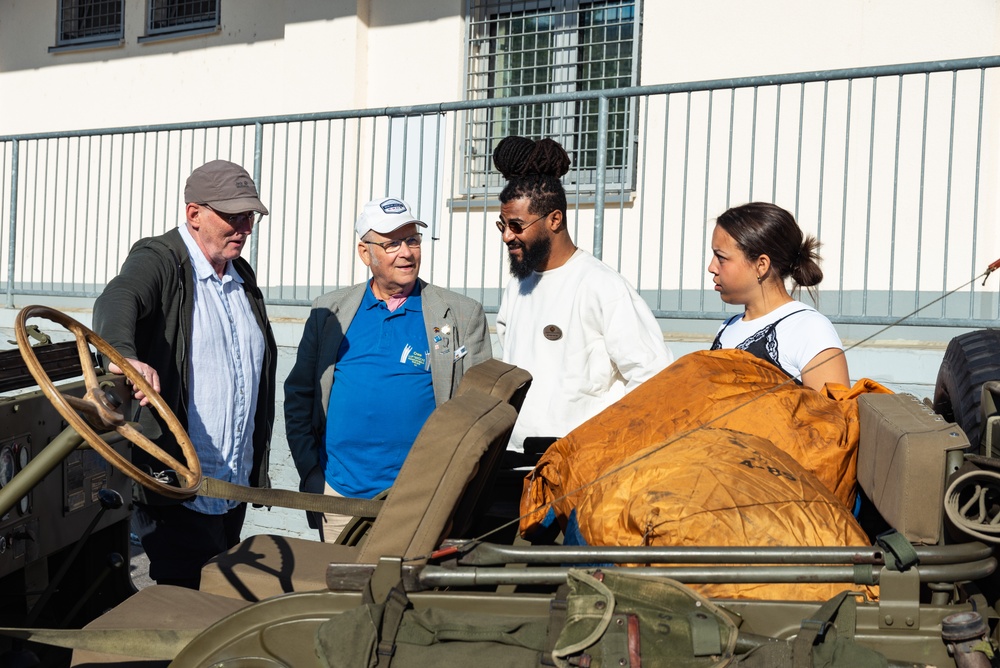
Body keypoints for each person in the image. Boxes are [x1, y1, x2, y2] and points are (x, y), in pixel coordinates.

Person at [93, 159, 277, 589]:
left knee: (217, 593)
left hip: (232, 480)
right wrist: (124, 357)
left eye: (249, 216)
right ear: (194, 214)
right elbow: (117, 299)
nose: (244, 226)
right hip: (177, 482)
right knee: (181, 600)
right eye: (232, 216)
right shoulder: (160, 259)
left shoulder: (240, 275)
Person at [283, 196, 493, 541]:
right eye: (392, 243)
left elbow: (479, 411)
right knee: (342, 591)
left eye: (412, 240)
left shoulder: (460, 314)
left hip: (422, 501)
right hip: (339, 495)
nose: (407, 253)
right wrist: (310, 473)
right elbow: (299, 394)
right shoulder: (330, 312)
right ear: (365, 253)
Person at [492, 136, 673, 456]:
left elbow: (654, 379)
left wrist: (606, 448)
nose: (508, 236)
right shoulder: (517, 287)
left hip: (580, 468)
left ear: (554, 219)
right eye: (502, 225)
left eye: (517, 226)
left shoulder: (601, 286)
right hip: (515, 464)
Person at [708, 201, 850, 391]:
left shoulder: (808, 328)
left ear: (761, 265)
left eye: (721, 257)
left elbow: (835, 414)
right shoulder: (727, 326)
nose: (711, 267)